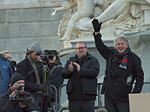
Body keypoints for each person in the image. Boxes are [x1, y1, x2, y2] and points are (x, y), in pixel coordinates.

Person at [92, 19, 144, 112]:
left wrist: (135, 93)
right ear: (115, 46)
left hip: (124, 95)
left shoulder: (134, 58)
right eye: (118, 44)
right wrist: (97, 33)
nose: (120, 46)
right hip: (109, 93)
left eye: (122, 44)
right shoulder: (110, 54)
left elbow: (139, 76)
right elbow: (100, 46)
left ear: (127, 45)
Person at [61, 42, 100, 112]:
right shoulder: (71, 60)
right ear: (75, 50)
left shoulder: (93, 60)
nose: (80, 50)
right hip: (73, 97)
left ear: (86, 49)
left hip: (87, 97)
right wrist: (69, 70)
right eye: (78, 48)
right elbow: (64, 74)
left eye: (82, 48)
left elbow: (94, 72)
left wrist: (81, 70)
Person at [16, 41, 45, 111]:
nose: (38, 57)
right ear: (30, 53)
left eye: (39, 55)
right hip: (30, 95)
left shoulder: (39, 64)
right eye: (36, 54)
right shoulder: (22, 65)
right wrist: (37, 87)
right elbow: (23, 82)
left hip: (41, 95)